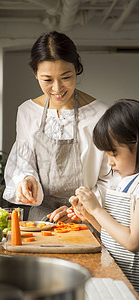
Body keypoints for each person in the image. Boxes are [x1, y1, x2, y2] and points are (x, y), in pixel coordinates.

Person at [3, 30, 113, 222]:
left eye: (66, 77)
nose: (57, 88)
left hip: (87, 219)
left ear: (77, 69)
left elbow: (111, 178)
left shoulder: (101, 114)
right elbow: (23, 162)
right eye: (47, 80)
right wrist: (27, 179)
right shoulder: (27, 112)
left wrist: (79, 208)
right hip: (40, 221)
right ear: (36, 74)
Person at [67, 99, 139, 293]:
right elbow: (116, 236)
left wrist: (97, 209)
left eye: (114, 154)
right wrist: (88, 216)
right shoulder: (125, 182)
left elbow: (132, 242)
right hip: (119, 277)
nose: (110, 163)